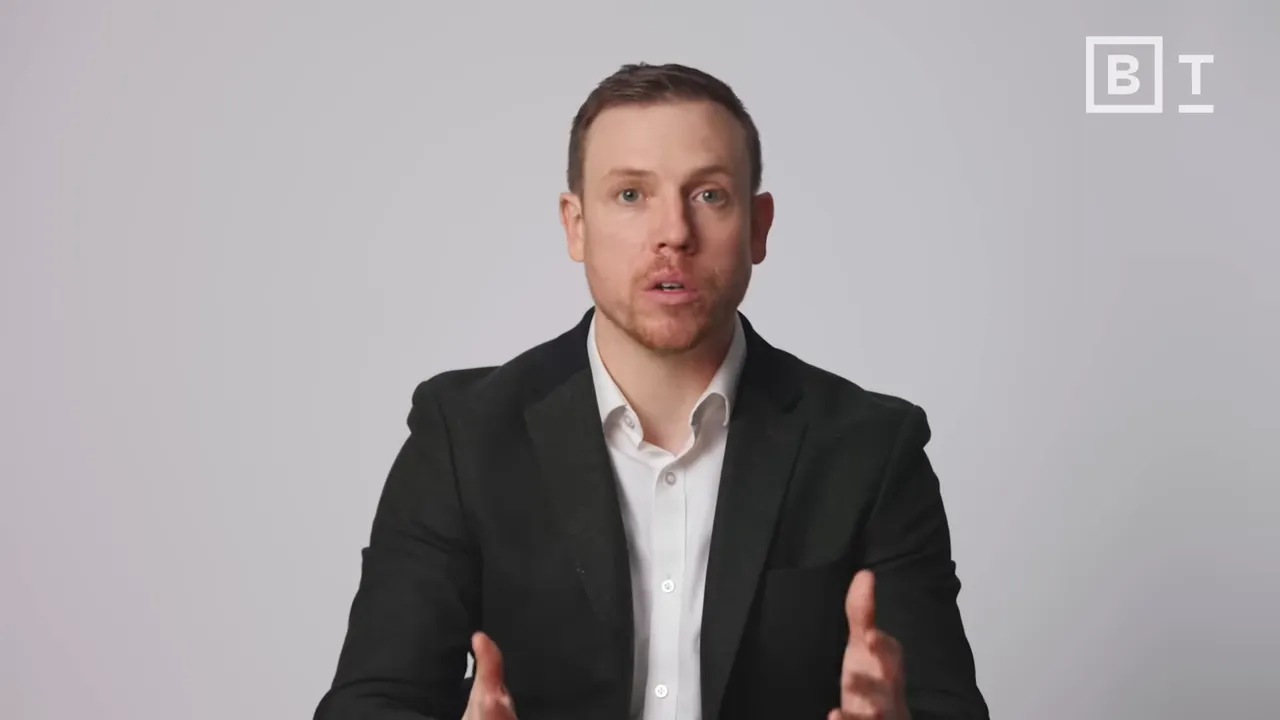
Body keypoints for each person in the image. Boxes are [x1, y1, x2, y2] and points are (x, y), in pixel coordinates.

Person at [314, 62, 989, 720]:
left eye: (709, 195)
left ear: (759, 227)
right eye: (631, 194)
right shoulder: (464, 435)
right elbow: (370, 700)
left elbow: (945, 705)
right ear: (575, 224)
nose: (674, 233)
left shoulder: (870, 449)